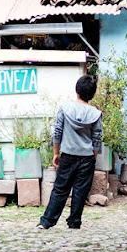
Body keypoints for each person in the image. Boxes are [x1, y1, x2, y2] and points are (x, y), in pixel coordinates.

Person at [37, 75, 103, 230]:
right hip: (86, 157)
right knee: (81, 190)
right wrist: (93, 156)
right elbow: (97, 137)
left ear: (77, 91)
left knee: (60, 188)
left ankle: (47, 222)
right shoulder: (95, 114)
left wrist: (55, 153)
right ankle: (74, 222)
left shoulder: (65, 109)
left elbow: (57, 132)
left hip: (67, 154)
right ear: (92, 94)